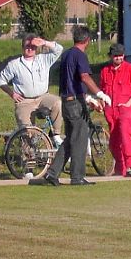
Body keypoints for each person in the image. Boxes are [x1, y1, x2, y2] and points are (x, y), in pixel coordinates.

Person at [30, 26, 112, 186]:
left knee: (70, 140)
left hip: (66, 100)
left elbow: (70, 82)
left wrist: (88, 98)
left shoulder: (67, 54)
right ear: (87, 40)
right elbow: (84, 77)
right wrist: (100, 94)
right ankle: (77, 176)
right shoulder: (79, 55)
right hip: (75, 103)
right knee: (80, 139)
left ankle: (52, 174)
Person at [0, 33, 64, 146]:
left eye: (33, 47)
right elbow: (0, 80)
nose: (30, 49)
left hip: (43, 97)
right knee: (27, 131)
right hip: (24, 101)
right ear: (23, 47)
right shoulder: (14, 64)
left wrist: (44, 42)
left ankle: (55, 136)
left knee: (58, 102)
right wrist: (11, 93)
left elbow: (59, 49)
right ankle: (28, 157)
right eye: (27, 46)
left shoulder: (44, 59)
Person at [100, 43, 131, 177]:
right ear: (111, 56)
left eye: (121, 55)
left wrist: (129, 103)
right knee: (113, 143)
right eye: (116, 56)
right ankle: (121, 169)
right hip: (110, 112)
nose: (119, 58)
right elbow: (102, 91)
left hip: (125, 110)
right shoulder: (105, 71)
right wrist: (102, 104)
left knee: (125, 136)